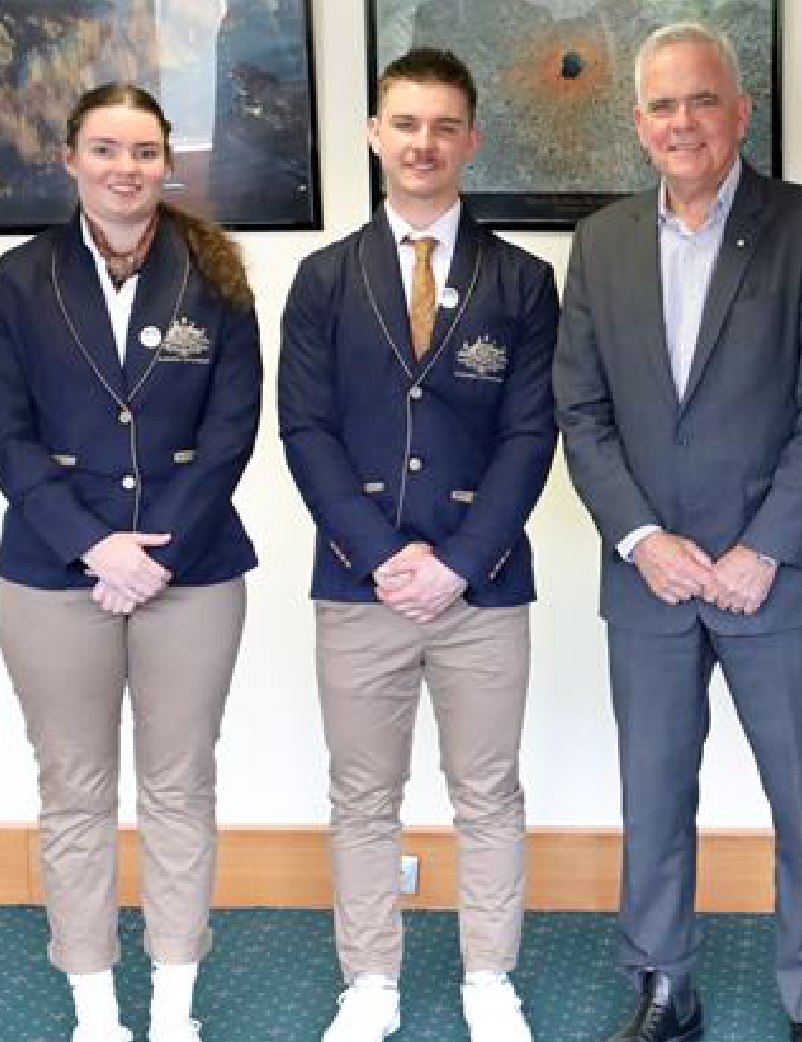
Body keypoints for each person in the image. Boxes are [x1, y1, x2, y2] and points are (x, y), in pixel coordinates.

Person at [552, 21, 802, 1042]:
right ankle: (661, 988)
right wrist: (642, 536)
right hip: (651, 578)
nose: (681, 122)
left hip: (783, 577)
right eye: (661, 105)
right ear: (638, 124)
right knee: (653, 795)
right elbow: (582, 410)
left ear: (740, 111)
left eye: (700, 101)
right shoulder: (599, 243)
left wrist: (762, 546)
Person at [0, 84, 262, 1042]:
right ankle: (96, 1009)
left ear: (166, 161)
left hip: (194, 570)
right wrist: (93, 544)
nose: (125, 168)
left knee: (180, 788)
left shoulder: (213, 276)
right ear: (70, 158)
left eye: (143, 151)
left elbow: (231, 433)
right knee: (76, 793)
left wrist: (154, 552)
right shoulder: (20, 278)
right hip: (55, 571)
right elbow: (0, 430)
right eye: (106, 149)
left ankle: (173, 1005)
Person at [278, 47, 559, 1042]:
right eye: (406, 123)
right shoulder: (322, 279)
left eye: (444, 125)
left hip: (483, 586)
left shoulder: (522, 280)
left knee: (487, 790)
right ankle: (371, 982)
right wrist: (379, 553)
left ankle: (489, 977)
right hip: (360, 587)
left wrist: (457, 559)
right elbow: (304, 429)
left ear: (472, 139)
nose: (424, 143)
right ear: (375, 135)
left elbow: (533, 433)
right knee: (362, 794)